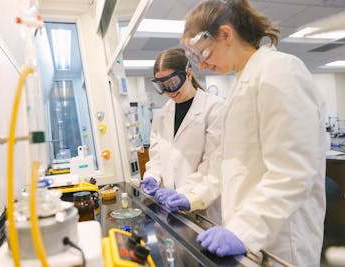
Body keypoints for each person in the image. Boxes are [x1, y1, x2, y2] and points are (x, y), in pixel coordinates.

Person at [180, 0, 327, 266]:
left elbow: (292, 172)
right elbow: (231, 164)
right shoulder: (242, 81)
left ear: (226, 34)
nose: (202, 66)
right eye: (195, 59)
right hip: (251, 234)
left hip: (281, 240)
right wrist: (193, 197)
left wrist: (242, 230)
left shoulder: (279, 70)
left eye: (204, 54)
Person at [140, 47, 223, 222]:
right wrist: (151, 178)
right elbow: (156, 160)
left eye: (173, 82)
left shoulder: (214, 108)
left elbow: (212, 166)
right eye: (161, 86)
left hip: (203, 206)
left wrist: (186, 195)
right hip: (168, 210)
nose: (169, 91)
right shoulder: (161, 116)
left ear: (189, 73)